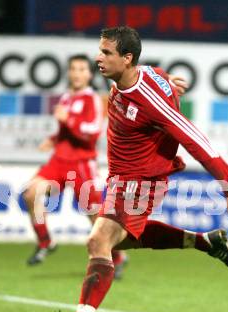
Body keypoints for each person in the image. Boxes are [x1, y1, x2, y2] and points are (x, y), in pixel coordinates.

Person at [45, 26, 228, 312]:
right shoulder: (142, 76)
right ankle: (205, 242)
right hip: (121, 178)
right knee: (120, 241)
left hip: (139, 182)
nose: (98, 57)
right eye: (100, 50)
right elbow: (154, 74)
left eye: (107, 53)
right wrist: (167, 79)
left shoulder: (149, 101)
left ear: (127, 59)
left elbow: (193, 139)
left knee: (98, 241)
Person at [23, 54, 187, 280]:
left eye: (82, 69)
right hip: (58, 162)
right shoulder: (65, 99)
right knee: (31, 193)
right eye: (73, 69)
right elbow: (65, 131)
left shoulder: (93, 99)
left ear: (89, 74)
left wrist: (68, 120)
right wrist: (53, 138)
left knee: (95, 218)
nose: (77, 73)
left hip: (81, 165)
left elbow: (91, 133)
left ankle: (118, 258)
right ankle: (45, 242)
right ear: (69, 73)